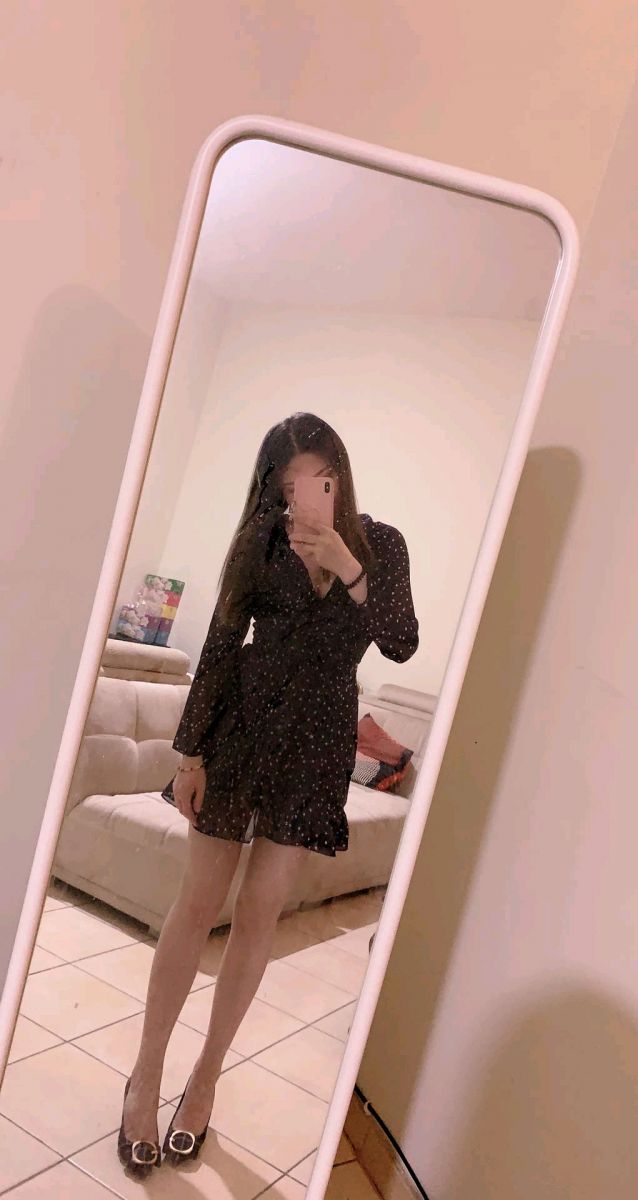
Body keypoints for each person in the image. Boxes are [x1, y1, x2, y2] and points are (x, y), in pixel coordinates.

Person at [117, 412, 419, 1176]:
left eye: (317, 479)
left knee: (259, 915)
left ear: (340, 477)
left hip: (316, 739)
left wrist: (347, 566)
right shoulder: (258, 541)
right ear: (271, 489)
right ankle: (145, 1075)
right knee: (196, 904)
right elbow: (221, 644)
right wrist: (190, 755)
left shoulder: (381, 547)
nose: (301, 498)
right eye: (286, 485)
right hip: (243, 726)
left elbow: (400, 640)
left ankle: (204, 1081)